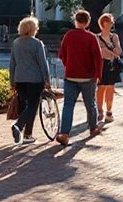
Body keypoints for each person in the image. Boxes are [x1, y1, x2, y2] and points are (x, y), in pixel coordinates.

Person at [55, 9, 104, 146]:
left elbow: (61, 54)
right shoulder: (91, 37)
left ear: (75, 21)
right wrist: (97, 75)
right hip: (88, 77)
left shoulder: (68, 35)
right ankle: (93, 128)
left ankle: (64, 133)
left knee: (68, 105)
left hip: (70, 76)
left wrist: (68, 65)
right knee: (90, 104)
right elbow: (98, 58)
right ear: (88, 22)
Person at [8, 16, 51, 145]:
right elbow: (43, 63)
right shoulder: (37, 43)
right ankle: (19, 126)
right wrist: (47, 79)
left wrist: (11, 81)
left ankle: (27, 135)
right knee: (33, 106)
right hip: (35, 79)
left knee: (24, 106)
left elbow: (12, 64)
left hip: (19, 79)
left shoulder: (16, 43)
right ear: (33, 29)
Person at [96, 13, 123, 123]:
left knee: (110, 88)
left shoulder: (114, 37)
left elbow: (119, 51)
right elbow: (100, 53)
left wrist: (113, 50)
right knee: (101, 88)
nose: (112, 24)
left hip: (112, 65)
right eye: (111, 22)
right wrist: (110, 51)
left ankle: (109, 111)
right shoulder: (97, 38)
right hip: (102, 65)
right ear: (105, 23)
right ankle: (100, 111)